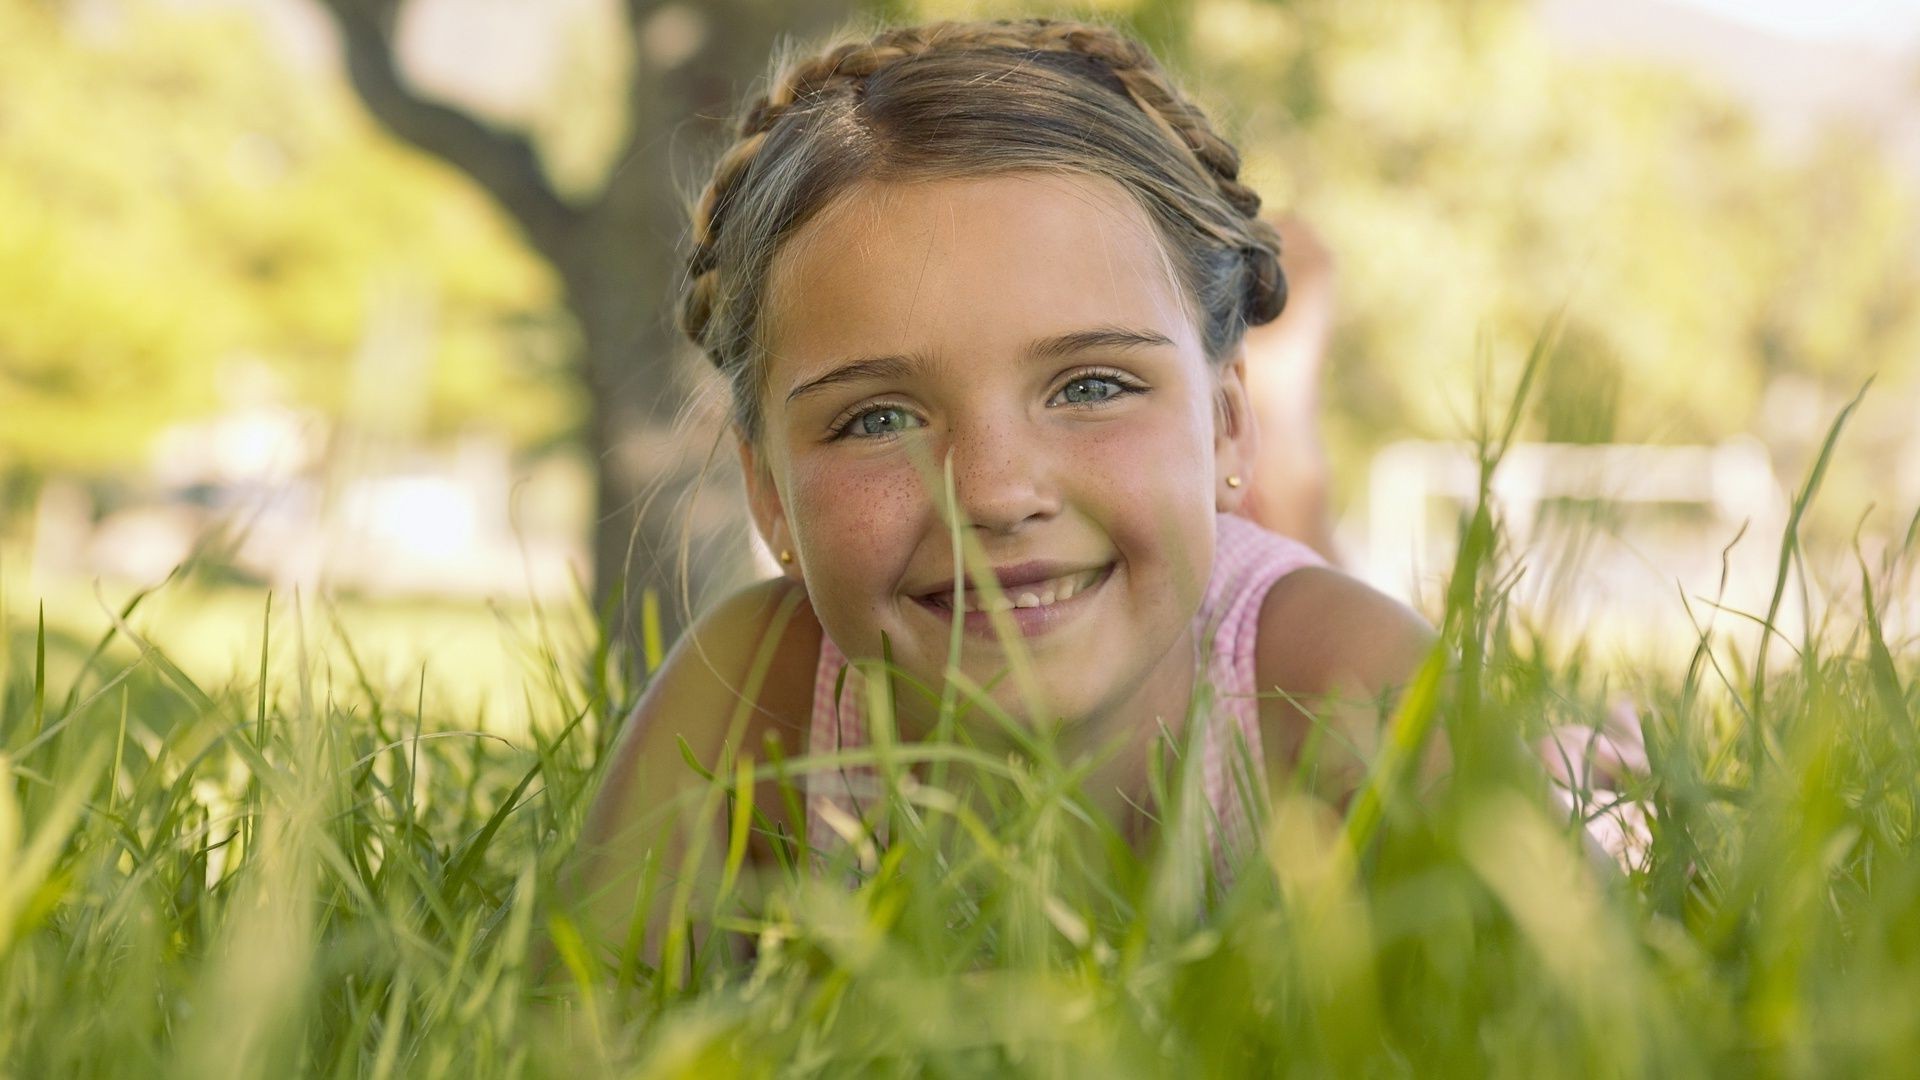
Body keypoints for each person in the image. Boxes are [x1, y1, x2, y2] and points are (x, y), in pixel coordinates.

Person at [571, 17, 1435, 964]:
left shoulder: (1342, 686)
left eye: (1092, 386)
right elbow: (570, 1017)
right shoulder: (754, 697)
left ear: (1225, 423)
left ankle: (1290, 468)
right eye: (879, 418)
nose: (992, 494)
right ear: (768, 493)